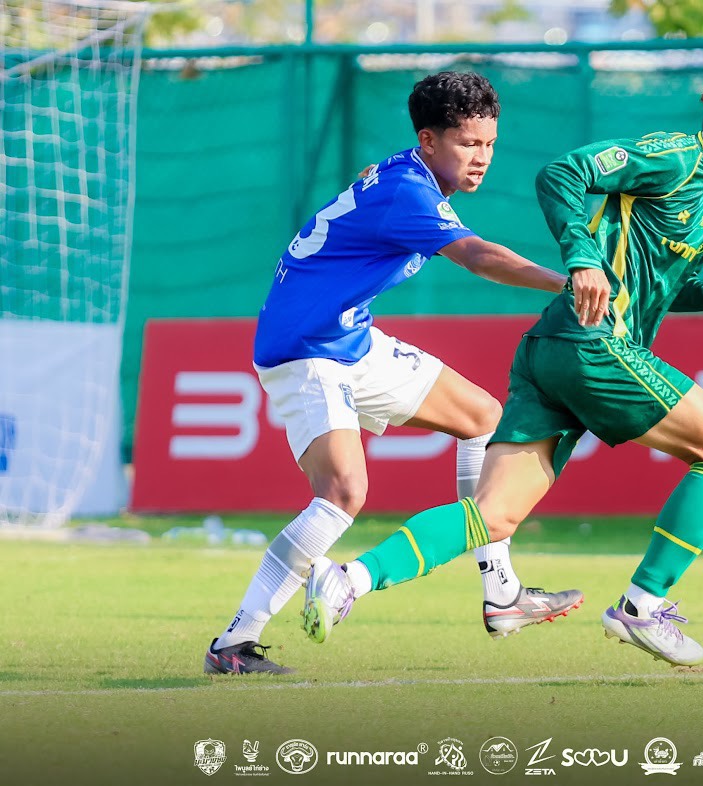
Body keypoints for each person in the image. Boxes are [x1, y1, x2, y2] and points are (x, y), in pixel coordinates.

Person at [300, 56, 703, 667]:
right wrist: (582, 259)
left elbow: (656, 288)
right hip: (596, 345)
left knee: (492, 517)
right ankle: (645, 602)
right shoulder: (675, 157)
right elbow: (562, 172)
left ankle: (347, 580)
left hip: (554, 349)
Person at [204, 71, 583, 675]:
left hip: (349, 339)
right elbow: (478, 257)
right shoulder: (408, 191)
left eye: (489, 143)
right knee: (342, 493)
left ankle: (502, 593)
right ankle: (234, 643)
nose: (482, 157)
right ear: (428, 140)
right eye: (468, 143)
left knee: (484, 418)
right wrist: (569, 282)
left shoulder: (411, 178)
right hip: (305, 349)